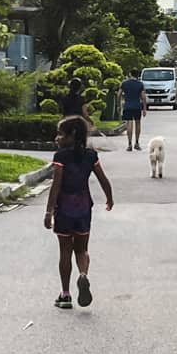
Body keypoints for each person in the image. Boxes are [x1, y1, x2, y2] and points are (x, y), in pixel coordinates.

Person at [43, 114, 113, 309]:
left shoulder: (60, 158)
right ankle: (83, 275)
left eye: (60, 134)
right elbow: (103, 179)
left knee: (65, 251)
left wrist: (49, 211)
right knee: (81, 249)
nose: (57, 138)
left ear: (72, 135)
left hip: (64, 209)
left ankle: (65, 295)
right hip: (83, 208)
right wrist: (109, 198)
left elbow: (56, 186)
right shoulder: (91, 155)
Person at [119, 72, 146, 151]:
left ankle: (129, 144)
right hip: (137, 106)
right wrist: (144, 108)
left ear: (130, 74)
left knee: (129, 123)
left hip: (127, 106)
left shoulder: (124, 83)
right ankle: (137, 143)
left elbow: (119, 94)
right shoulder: (140, 84)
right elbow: (143, 97)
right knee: (138, 123)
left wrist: (119, 105)